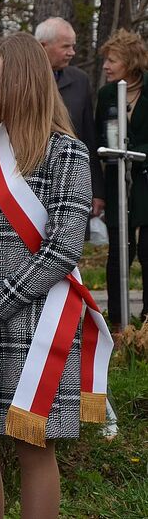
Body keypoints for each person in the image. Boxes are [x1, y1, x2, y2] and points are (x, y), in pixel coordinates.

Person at [0, 33, 101, 519]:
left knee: (33, 447)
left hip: (34, 322)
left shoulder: (67, 154)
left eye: (2, 84)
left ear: (30, 83)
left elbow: (63, 249)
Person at [96, 29, 148, 329]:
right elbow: (98, 138)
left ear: (129, 61)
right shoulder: (106, 95)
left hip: (145, 184)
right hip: (118, 186)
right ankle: (117, 324)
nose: (106, 66)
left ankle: (146, 322)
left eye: (112, 60)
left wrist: (137, 153)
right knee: (118, 255)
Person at [35, 17, 105, 220]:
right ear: (42, 46)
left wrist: (96, 190)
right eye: (66, 46)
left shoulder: (80, 81)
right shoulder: (19, 78)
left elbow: (88, 138)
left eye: (73, 46)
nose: (72, 52)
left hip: (71, 179)